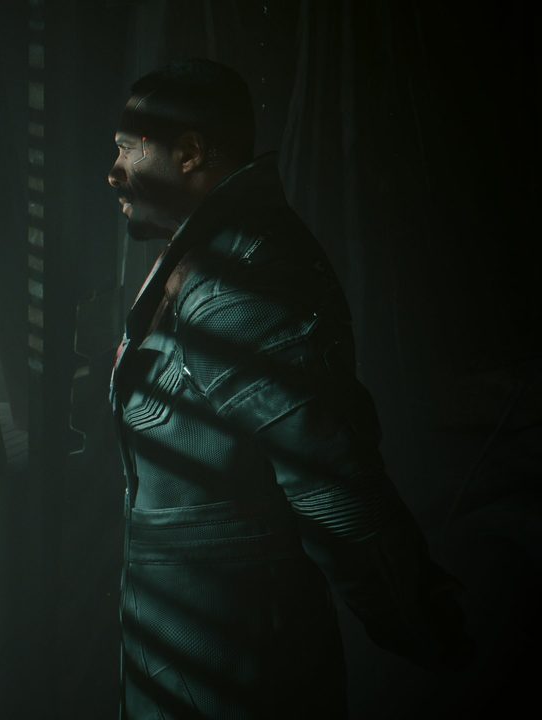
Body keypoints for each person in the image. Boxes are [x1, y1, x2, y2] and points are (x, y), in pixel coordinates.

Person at [105, 60, 470, 718]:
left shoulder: (238, 279)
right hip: (189, 654)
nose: (114, 171)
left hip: (237, 669)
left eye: (128, 148)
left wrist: (437, 633)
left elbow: (334, 488)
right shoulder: (202, 256)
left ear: (189, 152)